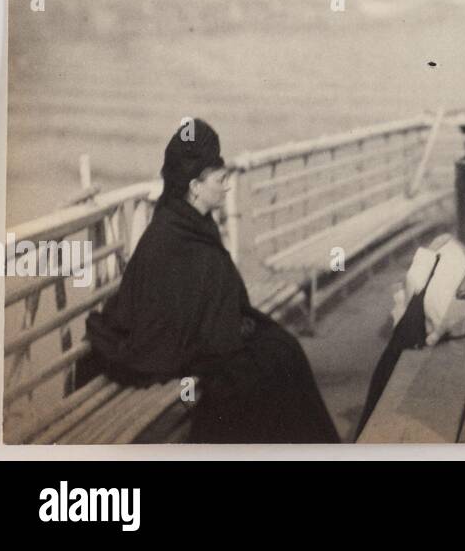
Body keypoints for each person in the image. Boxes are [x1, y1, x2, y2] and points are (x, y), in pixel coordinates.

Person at [85, 118, 340, 443]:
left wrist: (231, 326)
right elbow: (174, 318)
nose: (226, 187)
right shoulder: (173, 234)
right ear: (195, 186)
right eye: (220, 180)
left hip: (199, 337)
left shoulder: (193, 222)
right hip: (170, 346)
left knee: (283, 349)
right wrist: (230, 330)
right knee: (261, 369)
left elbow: (207, 299)